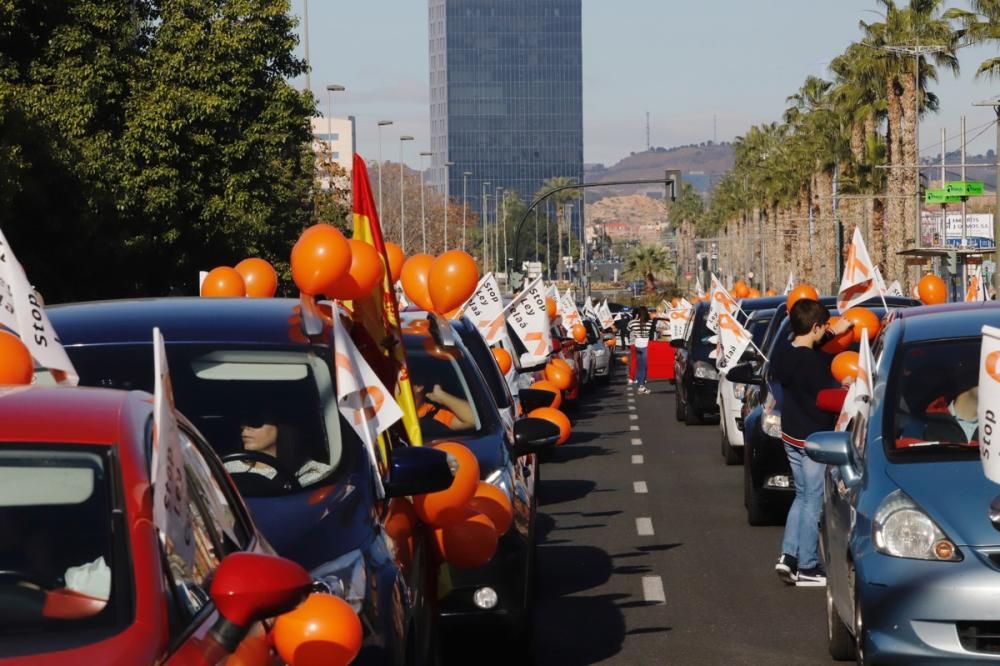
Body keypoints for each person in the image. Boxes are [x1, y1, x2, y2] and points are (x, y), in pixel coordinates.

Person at [770, 299, 853, 587]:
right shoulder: (817, 364)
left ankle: (788, 556)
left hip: (790, 434)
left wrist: (832, 332)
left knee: (802, 496)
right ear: (816, 327)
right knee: (813, 500)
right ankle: (807, 564)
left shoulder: (782, 353)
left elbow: (807, 344)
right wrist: (847, 387)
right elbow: (827, 399)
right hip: (813, 439)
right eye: (824, 327)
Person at [225, 410, 331, 486]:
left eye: (255, 420)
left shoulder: (313, 474)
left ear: (282, 425)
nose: (244, 426)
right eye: (242, 420)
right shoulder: (228, 467)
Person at [628, 306, 654, 394]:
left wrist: (635, 319)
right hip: (646, 344)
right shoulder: (650, 322)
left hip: (637, 344)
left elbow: (628, 329)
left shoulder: (633, 322)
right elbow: (654, 331)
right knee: (644, 366)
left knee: (640, 365)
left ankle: (640, 384)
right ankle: (641, 386)